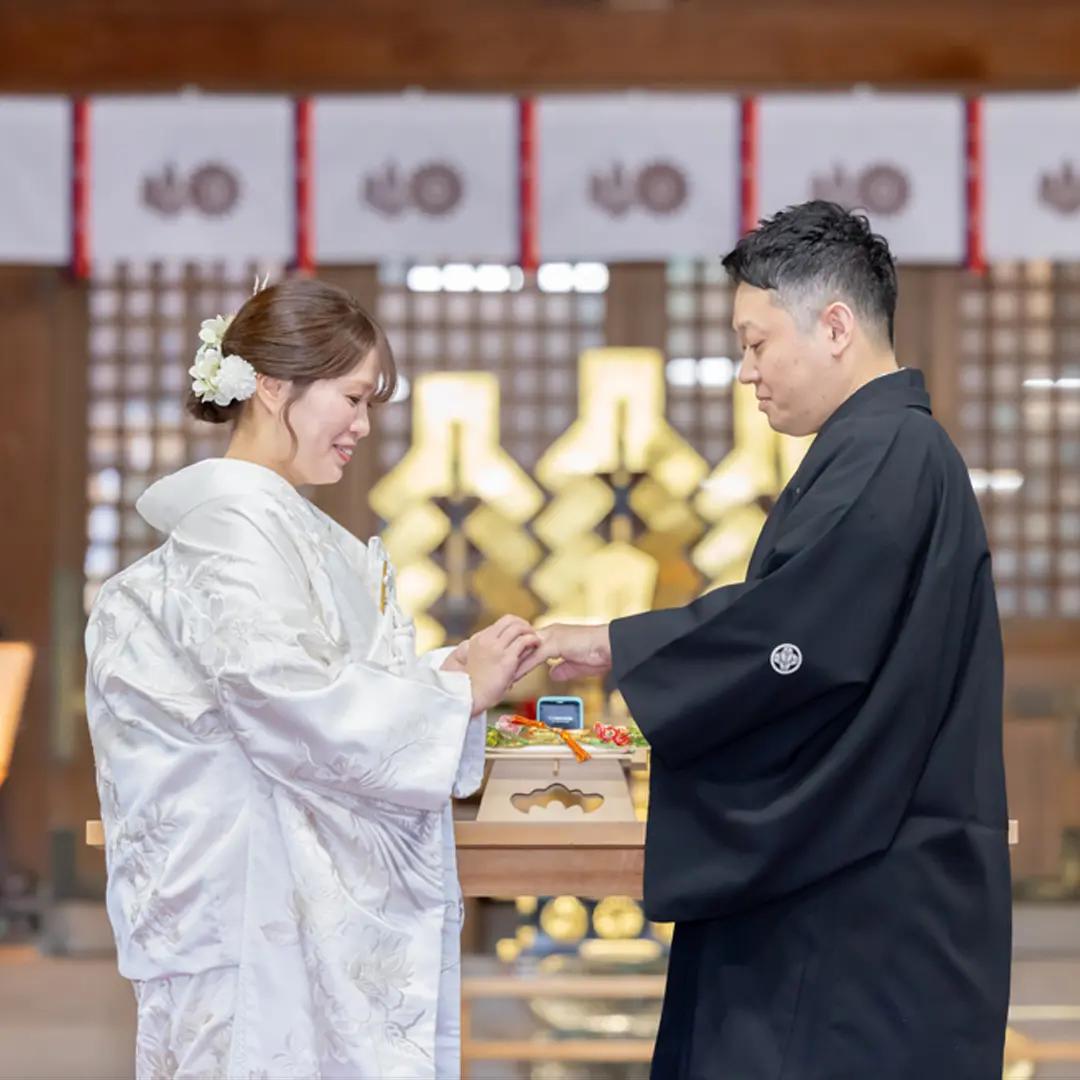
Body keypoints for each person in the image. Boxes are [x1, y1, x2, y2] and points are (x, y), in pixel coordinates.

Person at [519, 201, 1012, 1078]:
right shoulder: (881, 450)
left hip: (861, 907)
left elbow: (796, 639)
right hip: (861, 876)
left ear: (834, 326)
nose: (746, 371)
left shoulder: (890, 452)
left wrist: (620, 646)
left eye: (755, 342)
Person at [84, 277, 537, 1079]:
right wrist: (454, 694)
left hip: (266, 903)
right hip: (250, 904)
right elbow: (283, 695)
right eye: (353, 398)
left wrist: (448, 673)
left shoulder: (276, 524)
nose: (363, 426)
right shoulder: (236, 529)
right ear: (272, 387)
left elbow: (320, 681)